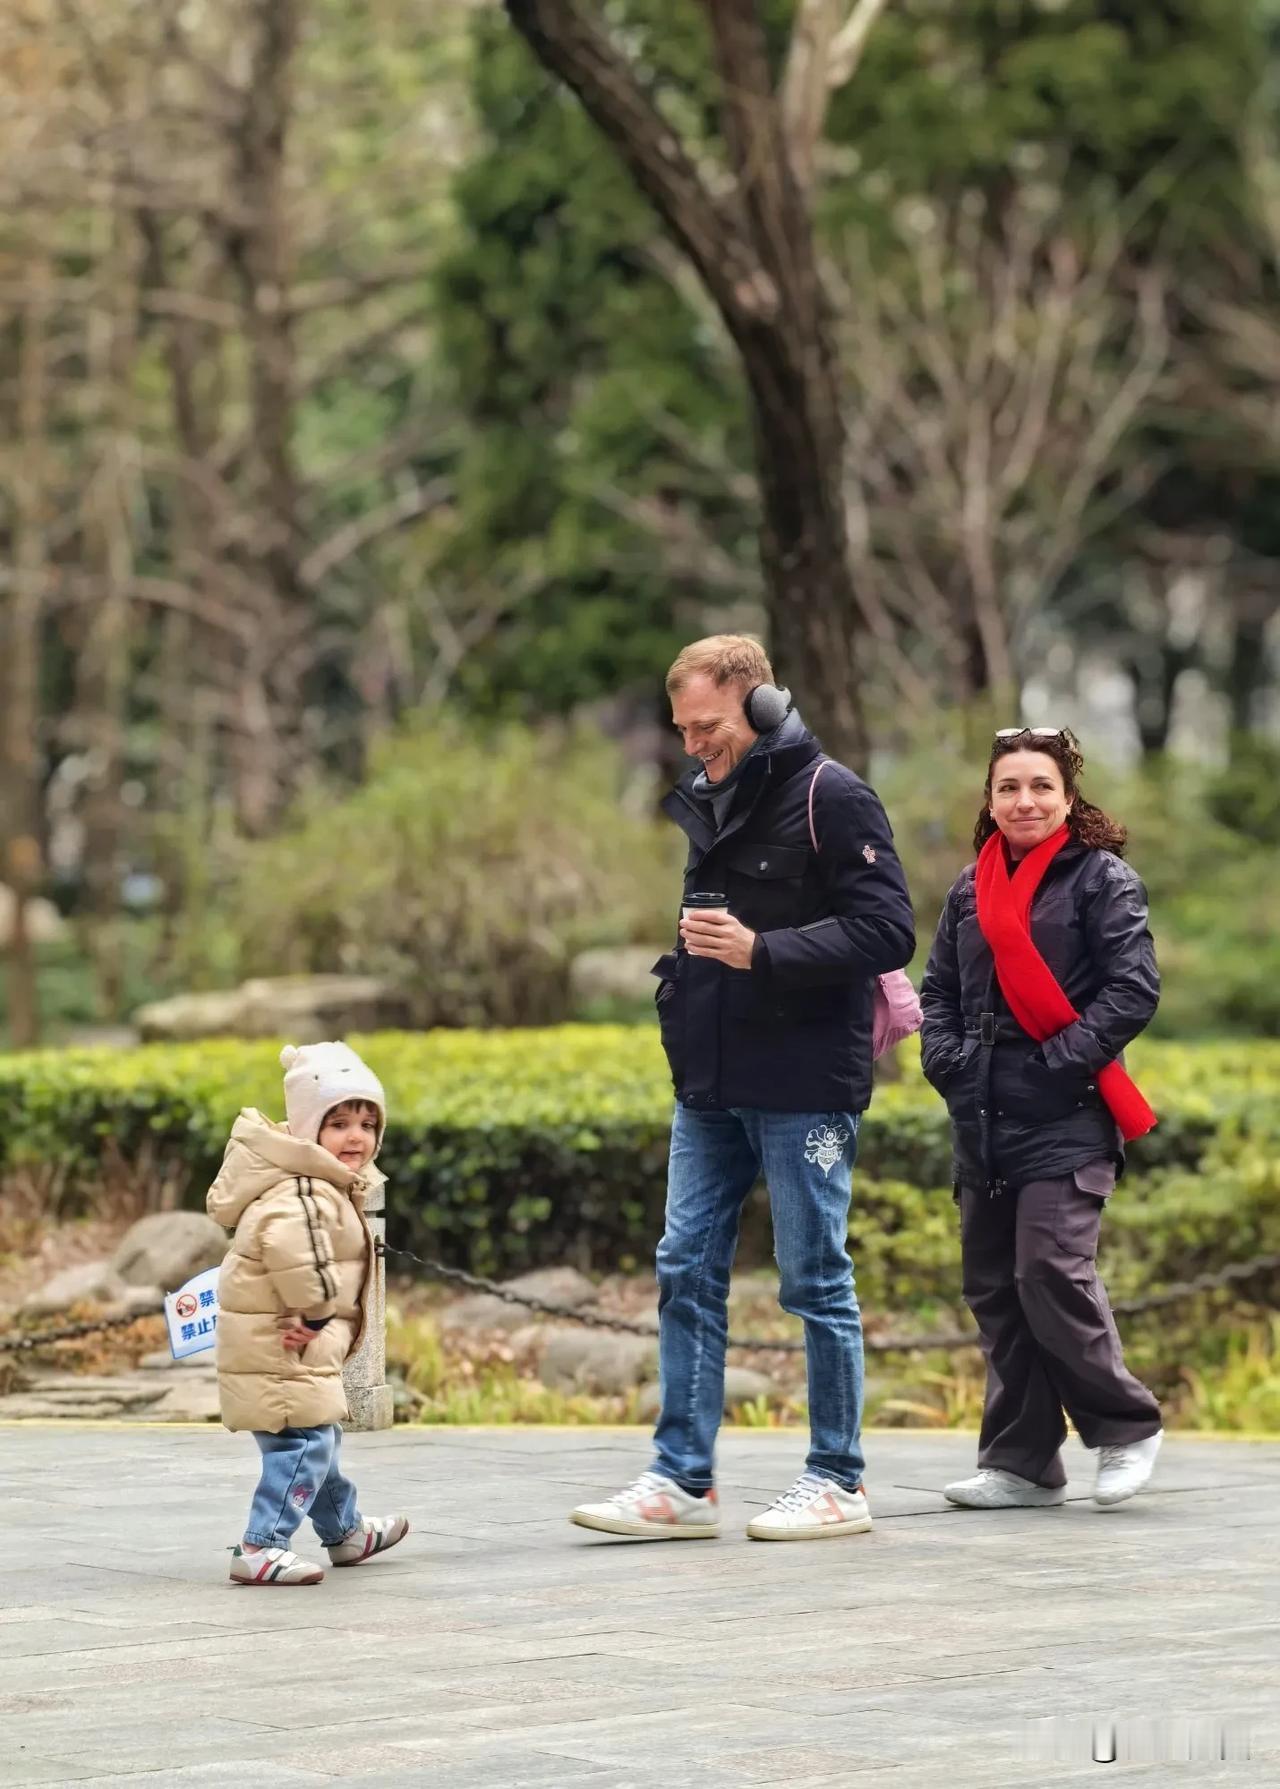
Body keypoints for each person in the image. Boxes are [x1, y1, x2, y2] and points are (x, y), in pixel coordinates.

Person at [571, 634, 915, 1542]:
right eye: (682, 728)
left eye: (708, 724)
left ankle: (838, 1479)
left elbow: (888, 931)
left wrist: (766, 952)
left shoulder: (830, 795)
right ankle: (683, 1481)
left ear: (762, 706)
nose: (693, 743)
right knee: (684, 1268)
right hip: (710, 1085)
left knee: (813, 1279)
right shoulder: (710, 798)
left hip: (806, 1083)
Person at [919, 727, 1163, 1512]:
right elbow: (938, 994)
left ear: (1068, 797)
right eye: (1008, 787)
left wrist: (1056, 1066)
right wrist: (950, 1063)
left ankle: (1126, 1427)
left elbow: (1132, 989)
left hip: (1067, 1111)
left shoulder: (1102, 880)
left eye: (1040, 786)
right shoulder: (970, 886)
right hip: (982, 1112)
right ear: (989, 800)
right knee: (993, 1285)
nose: (1024, 800)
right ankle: (1022, 1461)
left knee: (1049, 1270)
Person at [208, 1041, 410, 1584]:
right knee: (303, 1446)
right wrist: (317, 1312)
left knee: (318, 1437)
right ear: (306, 1129)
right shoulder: (303, 1190)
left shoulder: (317, 1182)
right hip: (284, 1344)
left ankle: (344, 1532)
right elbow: (301, 1258)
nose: (356, 1137)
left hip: (285, 1346)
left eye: (367, 1124)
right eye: (339, 1123)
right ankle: (261, 1545)